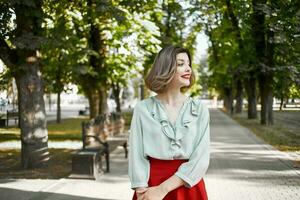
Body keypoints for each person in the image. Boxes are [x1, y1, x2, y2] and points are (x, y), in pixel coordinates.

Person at [128, 45, 210, 200]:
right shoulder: (143, 109)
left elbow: (201, 158)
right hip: (149, 186)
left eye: (188, 64)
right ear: (165, 68)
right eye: (181, 64)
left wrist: (163, 189)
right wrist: (141, 192)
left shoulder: (199, 109)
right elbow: (136, 154)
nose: (188, 69)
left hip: (188, 185)